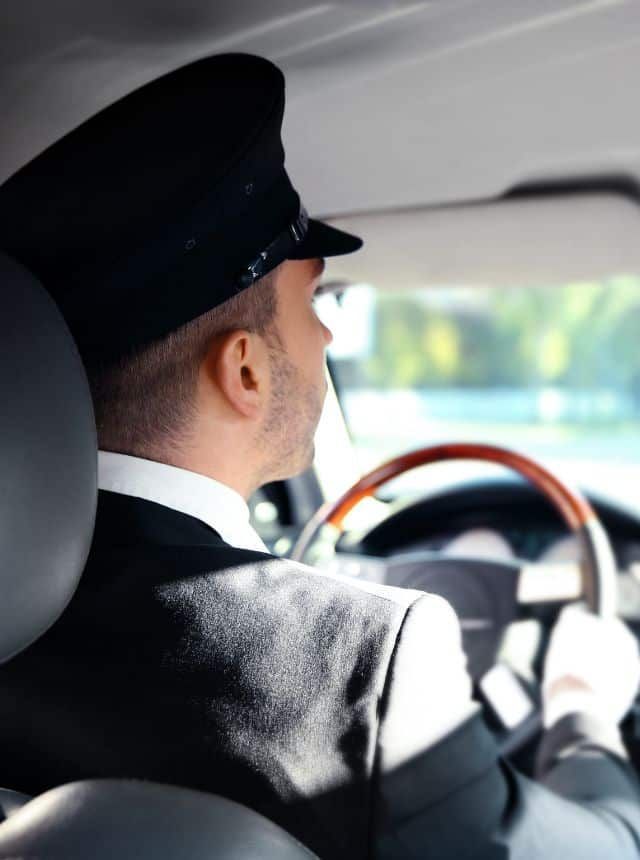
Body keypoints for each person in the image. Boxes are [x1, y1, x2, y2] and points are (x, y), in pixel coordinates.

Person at [0, 53, 639, 860]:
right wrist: (585, 708)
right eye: (313, 300)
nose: (330, 335)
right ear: (245, 370)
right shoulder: (365, 664)